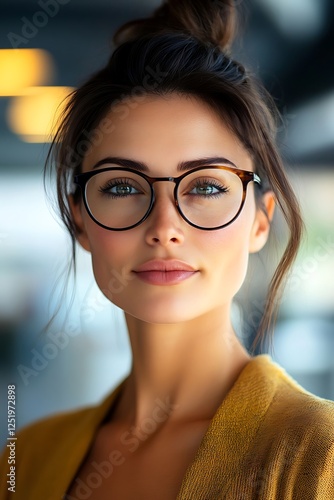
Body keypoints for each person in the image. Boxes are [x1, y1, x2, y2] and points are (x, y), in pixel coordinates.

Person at [1, 0, 334, 498]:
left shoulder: (318, 455)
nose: (165, 227)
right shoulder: (22, 460)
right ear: (80, 221)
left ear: (260, 222)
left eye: (205, 187)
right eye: (121, 187)